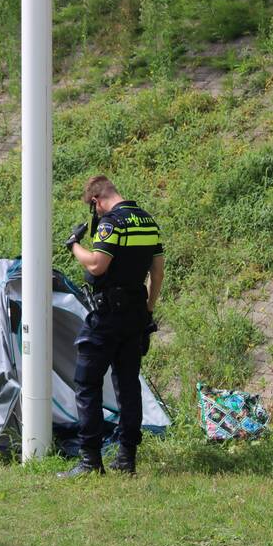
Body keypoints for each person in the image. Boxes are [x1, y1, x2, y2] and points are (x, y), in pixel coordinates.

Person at [59, 175, 164, 478]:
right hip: (135, 314)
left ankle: (90, 461)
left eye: (95, 209)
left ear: (97, 201)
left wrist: (75, 246)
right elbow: (156, 273)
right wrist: (148, 310)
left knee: (86, 382)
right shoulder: (147, 221)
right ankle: (126, 458)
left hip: (107, 316)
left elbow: (96, 265)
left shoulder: (110, 223)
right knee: (128, 385)